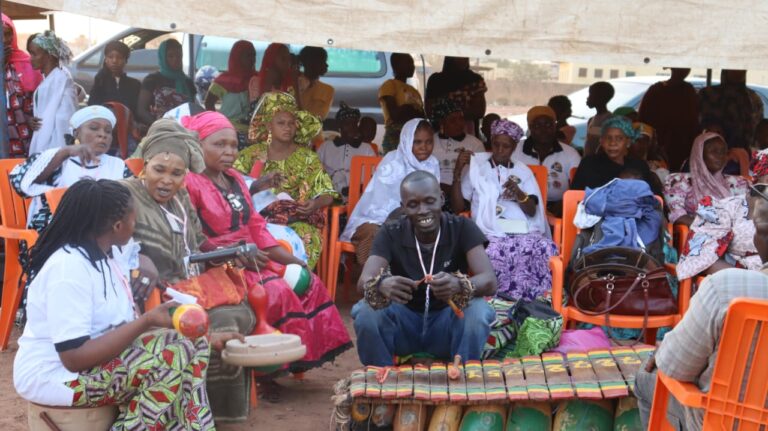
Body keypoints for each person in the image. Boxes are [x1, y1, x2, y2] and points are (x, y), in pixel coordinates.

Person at [13, 178, 243, 429]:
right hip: (57, 377)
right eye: (135, 220)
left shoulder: (109, 254)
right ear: (117, 225)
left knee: (192, 342)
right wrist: (147, 321)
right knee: (172, 355)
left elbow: (117, 327)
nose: (137, 226)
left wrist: (208, 337)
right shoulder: (68, 270)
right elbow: (74, 357)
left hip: (92, 365)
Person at [182, 111, 351, 378]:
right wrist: (236, 254)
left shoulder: (236, 179)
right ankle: (267, 372)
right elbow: (194, 240)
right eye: (218, 144)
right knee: (276, 291)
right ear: (197, 146)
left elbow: (257, 228)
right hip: (221, 263)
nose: (229, 152)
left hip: (253, 257)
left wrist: (292, 260)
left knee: (310, 281)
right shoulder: (190, 183)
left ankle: (294, 361)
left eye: (233, 145)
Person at [125, 119, 258, 421]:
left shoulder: (182, 198)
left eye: (177, 173)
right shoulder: (125, 194)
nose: (167, 181)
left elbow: (197, 242)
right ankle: (186, 408)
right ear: (144, 165)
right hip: (153, 298)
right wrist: (139, 257)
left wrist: (228, 253)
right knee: (210, 320)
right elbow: (106, 240)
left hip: (187, 286)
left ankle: (216, 410)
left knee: (232, 313)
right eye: (159, 170)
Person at [633, 187, 768, 430]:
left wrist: (669, 349)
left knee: (645, 378)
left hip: (720, 422)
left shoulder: (726, 286)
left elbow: (675, 368)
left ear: (759, 236)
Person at [352, 171, 496, 366]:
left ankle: (461, 376)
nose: (422, 210)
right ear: (403, 207)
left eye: (429, 201)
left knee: (478, 311)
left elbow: (489, 280)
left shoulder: (462, 227)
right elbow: (363, 282)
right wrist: (381, 285)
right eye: (413, 204)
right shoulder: (390, 232)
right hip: (403, 328)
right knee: (367, 311)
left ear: (441, 199)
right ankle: (379, 381)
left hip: (446, 325)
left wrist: (459, 284)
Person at [451, 119, 557, 301]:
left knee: (544, 246)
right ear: (490, 142)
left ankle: (535, 301)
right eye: (496, 144)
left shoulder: (522, 171)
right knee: (493, 250)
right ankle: (497, 302)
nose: (500, 150)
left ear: (515, 147)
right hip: (487, 230)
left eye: (506, 146)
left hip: (521, 230)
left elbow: (532, 211)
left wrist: (518, 193)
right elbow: (458, 207)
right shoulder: (478, 168)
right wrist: (457, 172)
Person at [234, 92, 331, 270]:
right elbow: (230, 187)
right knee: (240, 237)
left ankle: (297, 283)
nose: (287, 128)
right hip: (256, 219)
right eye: (281, 123)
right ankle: (262, 288)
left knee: (302, 236)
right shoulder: (252, 154)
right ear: (269, 125)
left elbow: (327, 194)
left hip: (298, 220)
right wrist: (258, 184)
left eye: (291, 123)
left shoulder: (308, 158)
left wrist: (315, 203)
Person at [11, 106, 132, 232]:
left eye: (108, 131)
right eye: (94, 128)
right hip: (58, 235)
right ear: (76, 133)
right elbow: (21, 184)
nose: (102, 134)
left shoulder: (118, 165)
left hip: (105, 235)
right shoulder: (57, 159)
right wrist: (66, 152)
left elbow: (131, 202)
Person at [341, 118, 440, 266]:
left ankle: (415, 282)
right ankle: (376, 281)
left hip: (415, 221)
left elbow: (431, 201)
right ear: (407, 141)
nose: (424, 147)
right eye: (417, 142)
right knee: (375, 234)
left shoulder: (432, 164)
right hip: (377, 220)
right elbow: (379, 199)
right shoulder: (392, 160)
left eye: (429, 142)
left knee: (429, 233)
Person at [674, 150, 768, 281]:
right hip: (740, 286)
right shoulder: (725, 209)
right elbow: (702, 260)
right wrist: (754, 281)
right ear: (759, 179)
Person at [664, 132, 749, 226]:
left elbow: (748, 216)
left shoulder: (738, 183)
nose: (720, 156)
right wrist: (714, 229)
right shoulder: (678, 181)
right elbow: (678, 217)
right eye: (714, 151)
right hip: (697, 236)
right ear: (699, 154)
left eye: (723, 152)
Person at [511, 106, 581, 217]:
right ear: (530, 127)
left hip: (558, 209)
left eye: (548, 125)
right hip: (522, 207)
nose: (543, 130)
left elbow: (579, 184)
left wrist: (564, 203)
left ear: (555, 126)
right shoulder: (515, 150)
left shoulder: (570, 153)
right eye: (538, 125)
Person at [571, 116, 663, 196]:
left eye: (619, 138)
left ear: (628, 142)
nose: (612, 143)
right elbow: (574, 197)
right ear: (601, 141)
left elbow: (654, 199)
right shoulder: (589, 164)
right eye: (608, 138)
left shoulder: (639, 166)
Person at [27, 31, 78, 155]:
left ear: (49, 55)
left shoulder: (58, 81)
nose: (30, 59)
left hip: (54, 148)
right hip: (48, 145)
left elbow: (64, 121)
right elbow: (45, 115)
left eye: (34, 54)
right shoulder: (55, 78)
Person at [317, 102, 376, 200]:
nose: (352, 127)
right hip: (329, 197)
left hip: (359, 198)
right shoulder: (326, 147)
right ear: (339, 126)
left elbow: (374, 176)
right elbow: (315, 171)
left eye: (354, 124)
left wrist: (357, 189)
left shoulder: (366, 149)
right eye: (347, 124)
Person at [2, 14, 42, 158]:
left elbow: (42, 97)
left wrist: (33, 116)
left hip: (25, 139)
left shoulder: (28, 62)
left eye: (8, 34)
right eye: (1, 34)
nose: (5, 40)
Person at [429, 98, 484, 197]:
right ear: (441, 122)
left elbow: (482, 176)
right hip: (433, 195)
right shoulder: (430, 143)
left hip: (464, 196)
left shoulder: (475, 144)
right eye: (453, 120)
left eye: (461, 118)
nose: (459, 124)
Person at [699, 70, 764, 152]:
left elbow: (758, 129)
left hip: (746, 151)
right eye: (733, 69)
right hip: (714, 152)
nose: (738, 71)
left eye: (742, 69)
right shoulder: (708, 94)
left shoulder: (753, 99)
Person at [136, 39, 196, 125]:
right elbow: (141, 111)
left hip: (184, 129)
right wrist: (159, 126)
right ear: (163, 57)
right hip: (158, 129)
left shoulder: (187, 82)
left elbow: (191, 109)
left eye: (179, 56)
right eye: (170, 56)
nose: (175, 59)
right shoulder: (152, 80)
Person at [424, 57, 487, 136]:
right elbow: (429, 111)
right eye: (460, 56)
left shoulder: (475, 80)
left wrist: (448, 114)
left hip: (468, 135)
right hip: (440, 135)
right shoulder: (436, 80)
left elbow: (479, 111)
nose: (464, 59)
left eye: (466, 56)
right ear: (451, 57)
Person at [205, 40, 257, 136]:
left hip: (253, 134)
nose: (252, 59)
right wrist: (218, 123)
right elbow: (208, 103)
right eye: (247, 56)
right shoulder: (223, 80)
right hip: (227, 132)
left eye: (254, 55)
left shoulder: (256, 80)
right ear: (237, 57)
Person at [378, 53, 424, 153]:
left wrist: (407, 109)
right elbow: (395, 114)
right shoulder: (390, 85)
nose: (413, 66)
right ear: (397, 65)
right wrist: (411, 110)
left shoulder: (414, 91)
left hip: (413, 135)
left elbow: (422, 115)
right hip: (396, 135)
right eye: (409, 63)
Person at [87, 41, 141, 115]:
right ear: (105, 59)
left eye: (119, 57)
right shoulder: (100, 81)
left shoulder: (135, 84)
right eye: (110, 57)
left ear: (126, 60)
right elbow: (93, 107)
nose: (114, 61)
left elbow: (137, 111)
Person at [298, 46, 334, 120]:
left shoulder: (328, 90)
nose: (327, 65)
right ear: (310, 63)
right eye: (322, 61)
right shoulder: (295, 82)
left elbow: (320, 117)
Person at [584, 81, 615, 156]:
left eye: (591, 94)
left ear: (600, 97)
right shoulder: (591, 120)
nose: (588, 98)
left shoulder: (610, 120)